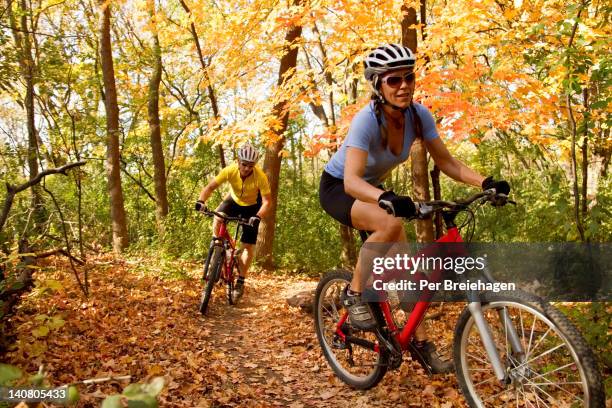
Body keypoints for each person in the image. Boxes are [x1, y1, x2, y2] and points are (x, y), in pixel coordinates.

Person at [318, 44, 510, 373]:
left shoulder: (418, 116)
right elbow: (351, 181)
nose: (404, 85)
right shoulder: (367, 120)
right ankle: (355, 293)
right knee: (390, 225)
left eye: (409, 77)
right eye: (394, 80)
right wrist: (385, 199)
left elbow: (447, 161)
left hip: (374, 191)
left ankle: (420, 346)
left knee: (409, 278)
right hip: (339, 188)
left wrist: (485, 182)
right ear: (377, 84)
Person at [196, 143, 271, 300]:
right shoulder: (229, 170)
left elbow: (266, 202)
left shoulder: (260, 176)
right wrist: (201, 201)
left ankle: (241, 281)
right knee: (218, 216)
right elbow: (210, 187)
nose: (246, 168)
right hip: (234, 201)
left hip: (252, 206)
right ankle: (219, 247)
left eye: (250, 166)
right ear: (238, 161)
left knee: (247, 247)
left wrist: (257, 216)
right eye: (244, 164)